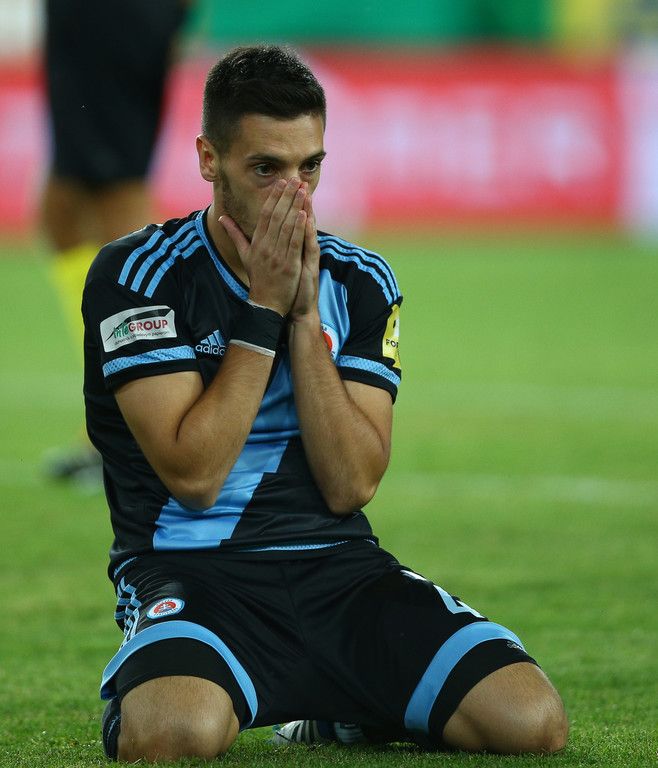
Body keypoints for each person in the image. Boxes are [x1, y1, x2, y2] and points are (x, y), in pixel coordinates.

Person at [82, 45, 569, 762]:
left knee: (531, 723)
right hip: (194, 572)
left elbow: (351, 484)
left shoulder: (360, 280)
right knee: (173, 735)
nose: (295, 194)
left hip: (340, 571)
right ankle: (150, 689)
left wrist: (305, 318)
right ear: (209, 160)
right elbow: (194, 476)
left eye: (309, 167)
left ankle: (340, 715)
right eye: (266, 169)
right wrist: (262, 311)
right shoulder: (137, 275)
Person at [42, 0, 187, 484]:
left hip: (111, 15)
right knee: (63, 209)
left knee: (117, 200)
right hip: (84, 19)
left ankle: (142, 419)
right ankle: (119, 404)